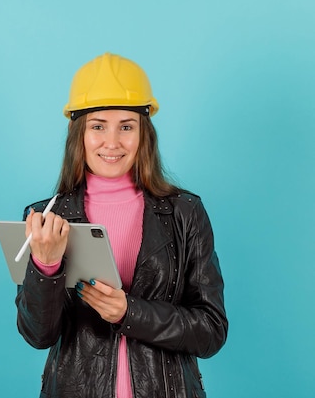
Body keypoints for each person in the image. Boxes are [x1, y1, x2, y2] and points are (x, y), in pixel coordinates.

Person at [15, 53, 228, 398]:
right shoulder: (45, 219)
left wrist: (130, 312)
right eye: (98, 126)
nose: (112, 142)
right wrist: (46, 265)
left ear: (144, 133)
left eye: (126, 126)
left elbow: (211, 330)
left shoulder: (185, 212)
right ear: (78, 134)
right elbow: (38, 335)